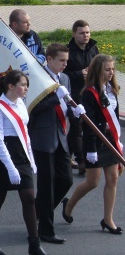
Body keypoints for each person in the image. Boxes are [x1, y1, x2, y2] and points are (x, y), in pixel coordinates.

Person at [0, 70, 46, 255]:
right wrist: (10, 168)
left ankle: (34, 244)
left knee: (28, 197)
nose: (26, 88)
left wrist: (31, 159)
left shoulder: (20, 103)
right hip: (4, 155)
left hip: (21, 153)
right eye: (23, 85)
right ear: (11, 86)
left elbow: (25, 133)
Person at [63, 55, 123, 235]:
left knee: (113, 178)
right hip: (95, 142)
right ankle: (69, 205)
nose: (111, 72)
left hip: (109, 139)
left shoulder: (112, 89)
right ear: (98, 70)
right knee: (92, 182)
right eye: (107, 69)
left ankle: (108, 219)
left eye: (112, 69)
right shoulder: (89, 92)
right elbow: (88, 124)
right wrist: (90, 149)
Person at [29, 43, 81, 244]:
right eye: (61, 61)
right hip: (42, 138)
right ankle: (45, 230)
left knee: (66, 180)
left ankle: (36, 212)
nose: (65, 65)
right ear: (49, 59)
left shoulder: (65, 78)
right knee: (46, 186)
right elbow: (32, 108)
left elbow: (65, 103)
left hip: (61, 137)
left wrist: (74, 111)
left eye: (66, 61)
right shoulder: (37, 78)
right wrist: (53, 100)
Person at [63, 20, 99, 175]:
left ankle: (66, 156)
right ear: (74, 33)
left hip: (91, 94)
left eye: (88, 32)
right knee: (77, 127)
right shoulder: (68, 51)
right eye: (82, 33)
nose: (86, 36)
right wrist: (79, 74)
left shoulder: (93, 48)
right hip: (74, 95)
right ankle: (81, 160)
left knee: (88, 126)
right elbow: (62, 75)